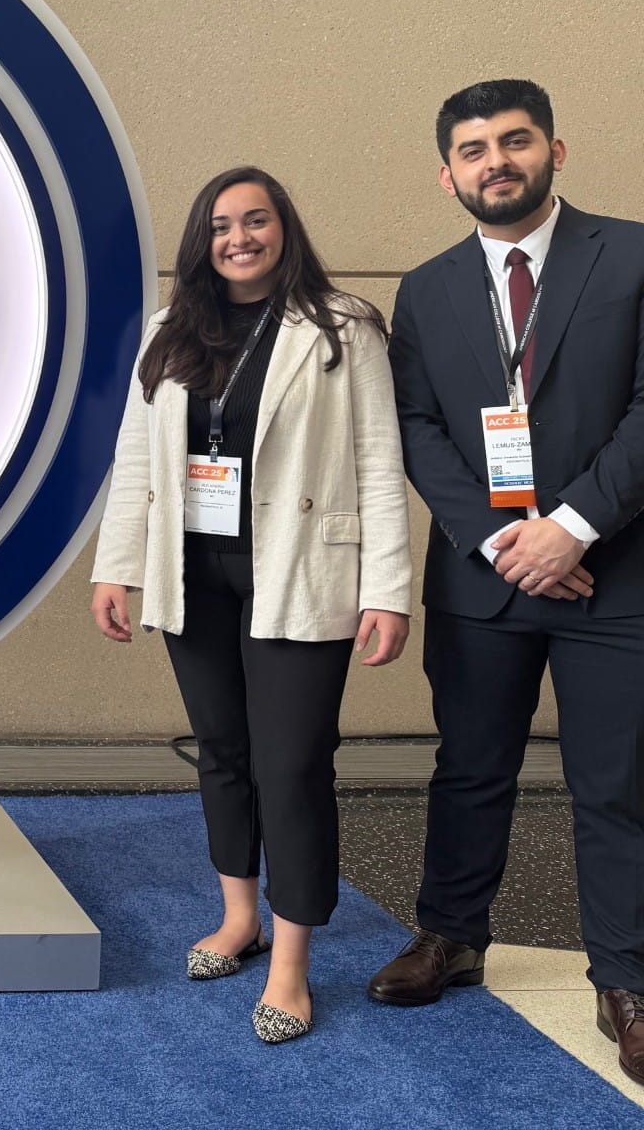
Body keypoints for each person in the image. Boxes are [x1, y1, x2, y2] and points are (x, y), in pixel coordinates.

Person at [91, 166, 412, 1043]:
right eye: (222, 225)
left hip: (300, 570)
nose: (239, 238)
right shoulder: (171, 331)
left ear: (283, 228)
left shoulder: (342, 328)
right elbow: (136, 461)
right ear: (203, 241)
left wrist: (387, 589)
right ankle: (239, 916)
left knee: (293, 762)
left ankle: (291, 964)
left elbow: (380, 464)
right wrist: (113, 568)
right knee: (222, 752)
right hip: (192, 571)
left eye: (256, 221)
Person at [375, 79, 644, 1084]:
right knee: (471, 762)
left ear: (556, 150)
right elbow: (418, 428)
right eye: (475, 148)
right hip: (485, 579)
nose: (497, 160)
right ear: (447, 174)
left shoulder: (634, 255)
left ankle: (626, 975)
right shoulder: (427, 287)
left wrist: (570, 527)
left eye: (515, 140)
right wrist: (501, 540)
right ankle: (451, 933)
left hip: (614, 572)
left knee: (615, 780)